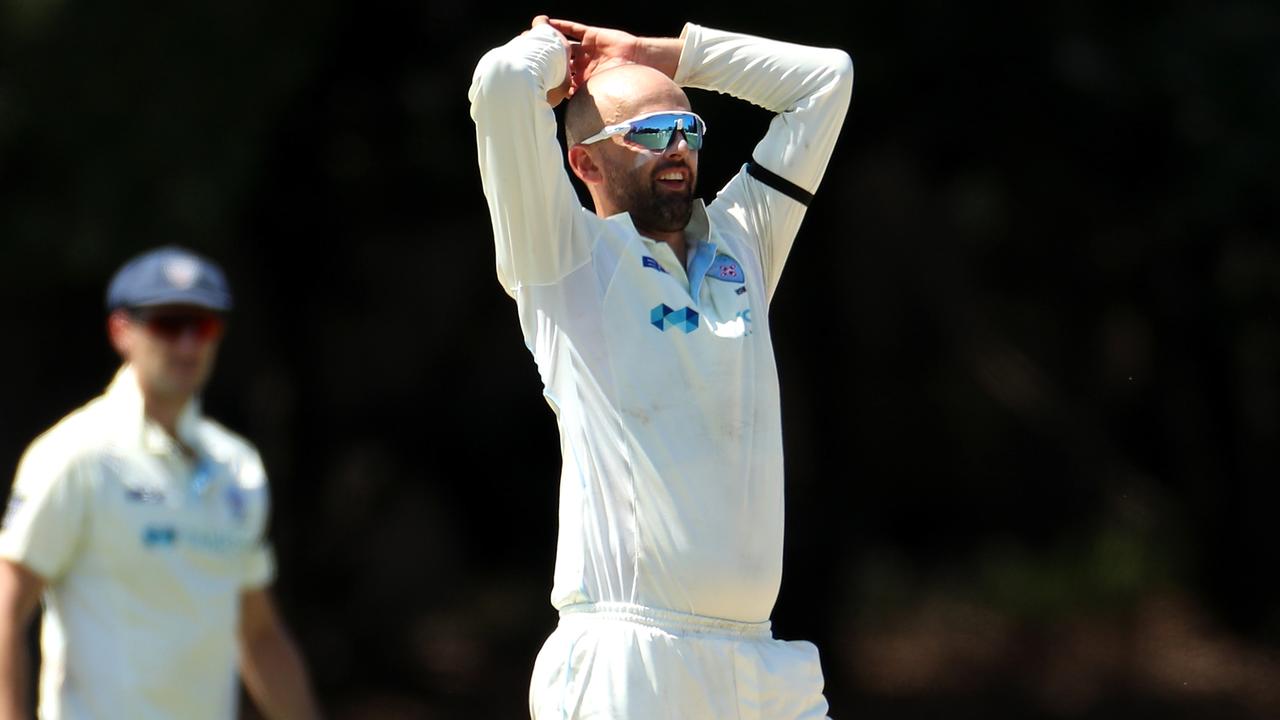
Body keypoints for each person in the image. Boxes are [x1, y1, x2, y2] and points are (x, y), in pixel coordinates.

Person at [470, 14, 853, 718]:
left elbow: (826, 81)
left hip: (762, 664)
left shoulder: (745, 243)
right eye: (648, 134)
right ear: (584, 162)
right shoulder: (563, 262)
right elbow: (500, 84)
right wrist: (558, 55)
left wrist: (657, 55)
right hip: (628, 663)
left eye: (689, 129)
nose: (678, 146)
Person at [0, 246, 322, 720]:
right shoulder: (76, 455)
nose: (189, 345)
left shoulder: (238, 466)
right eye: (170, 324)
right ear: (120, 330)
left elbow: (259, 636)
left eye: (205, 325)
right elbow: (6, 609)